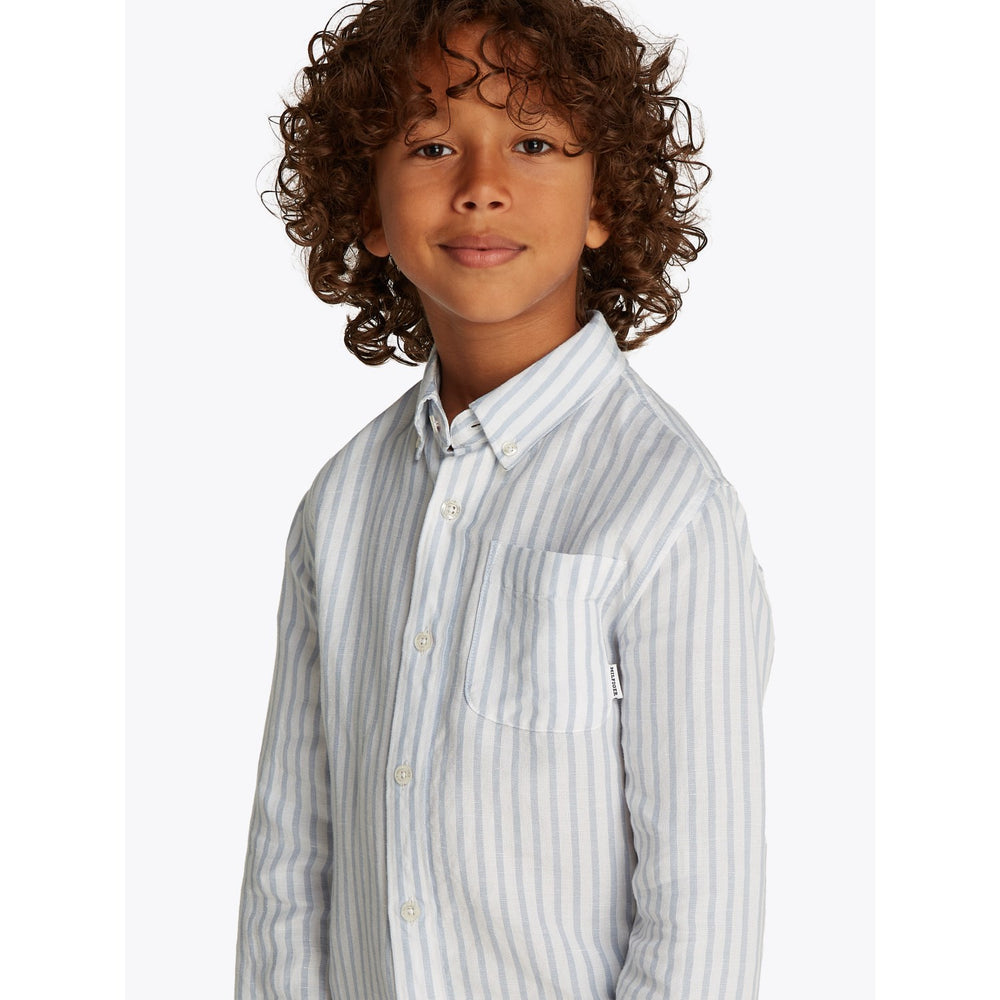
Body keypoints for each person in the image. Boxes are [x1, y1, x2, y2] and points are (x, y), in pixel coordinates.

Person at [235, 1, 775, 997]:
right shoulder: (340, 505)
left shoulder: (667, 508)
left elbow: (702, 910)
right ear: (368, 208)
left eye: (532, 143)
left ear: (603, 200)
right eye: (432, 145)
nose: (481, 186)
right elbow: (290, 863)